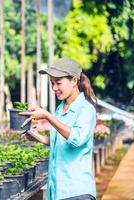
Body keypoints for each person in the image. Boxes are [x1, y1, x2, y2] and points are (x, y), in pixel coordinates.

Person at [20, 58, 97, 200]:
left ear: (74, 81)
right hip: (57, 191)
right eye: (52, 83)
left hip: (76, 191)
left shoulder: (86, 109)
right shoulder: (61, 108)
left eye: (59, 83)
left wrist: (47, 116)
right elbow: (60, 140)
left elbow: (77, 139)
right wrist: (38, 137)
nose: (54, 88)